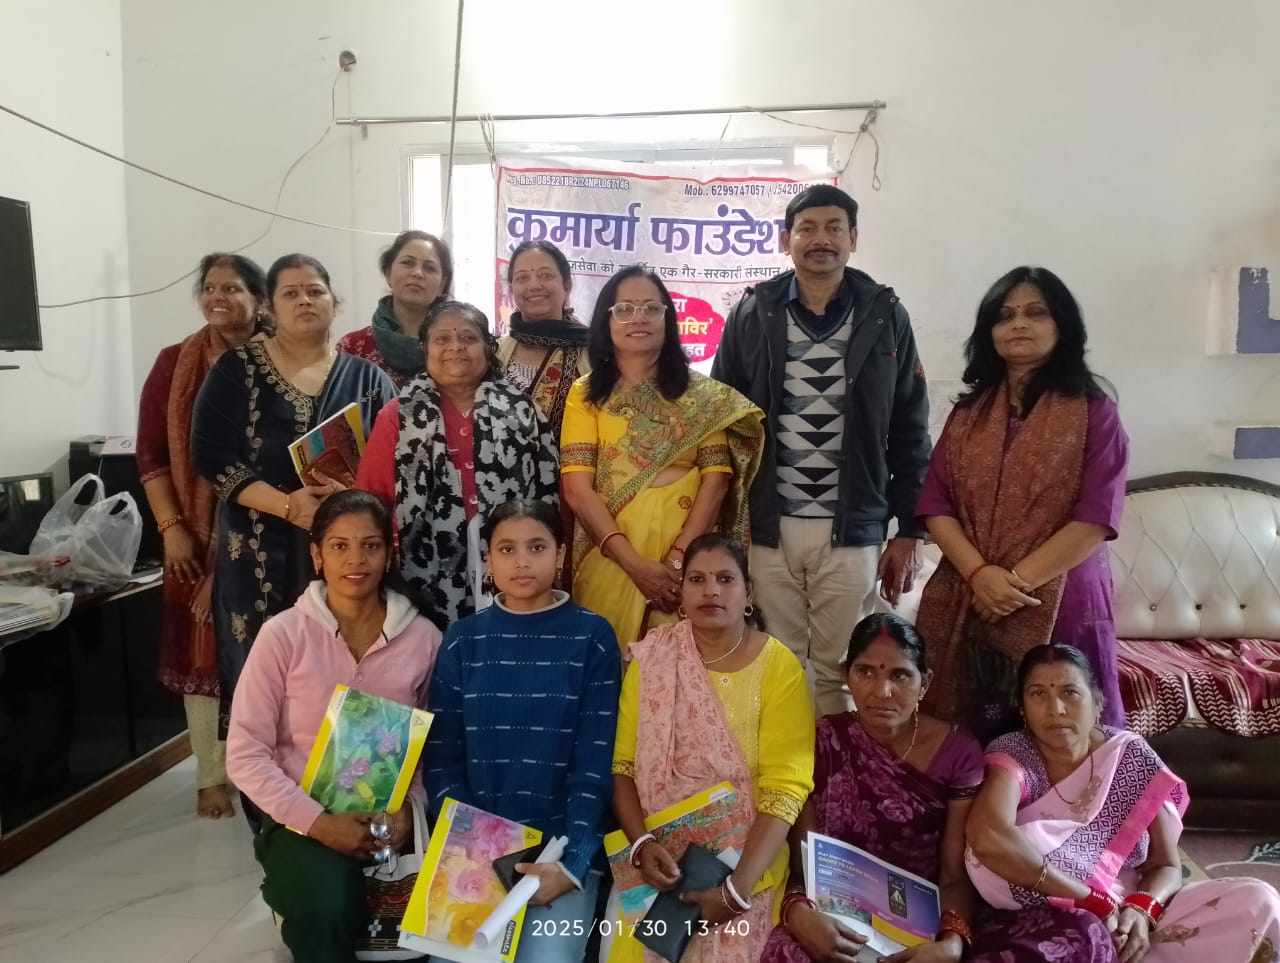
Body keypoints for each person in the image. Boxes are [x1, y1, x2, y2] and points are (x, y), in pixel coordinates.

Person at [711, 183, 931, 716]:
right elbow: (722, 421)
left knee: (843, 667)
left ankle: (834, 766)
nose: (821, 240)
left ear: (853, 238)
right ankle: (784, 767)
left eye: (834, 228)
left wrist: (910, 530)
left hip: (852, 525)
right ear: (785, 239)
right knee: (777, 660)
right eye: (807, 229)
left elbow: (910, 427)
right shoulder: (753, 312)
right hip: (769, 523)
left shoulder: (885, 315)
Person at [225, 490, 443, 963]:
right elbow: (244, 753)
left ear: (389, 554)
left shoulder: (424, 638)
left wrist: (410, 812)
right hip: (298, 817)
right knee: (329, 901)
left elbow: (432, 748)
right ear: (317, 555)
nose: (355, 560)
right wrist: (319, 824)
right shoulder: (283, 634)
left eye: (370, 545)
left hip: (389, 819)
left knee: (437, 920)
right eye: (339, 546)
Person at [914, 267, 1129, 739]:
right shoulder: (968, 414)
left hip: (1061, 595)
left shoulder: (1095, 412)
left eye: (1035, 312)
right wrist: (980, 576)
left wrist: (1012, 585)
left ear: (1062, 325)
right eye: (1005, 315)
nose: (1019, 324)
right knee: (969, 740)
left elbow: (1096, 518)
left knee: (1066, 736)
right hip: (970, 592)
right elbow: (935, 503)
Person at [192, 254, 395, 748]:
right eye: (291, 293)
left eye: (315, 291)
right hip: (256, 553)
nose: (305, 300)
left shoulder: (369, 380)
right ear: (268, 306)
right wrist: (289, 507)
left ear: (334, 302)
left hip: (345, 556)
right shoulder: (236, 372)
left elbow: (394, 461)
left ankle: (351, 783)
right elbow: (211, 455)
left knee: (347, 667)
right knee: (263, 678)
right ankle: (267, 791)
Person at [965, 644, 1280, 963]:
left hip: (1128, 906)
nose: (1055, 708)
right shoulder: (1014, 754)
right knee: (1026, 849)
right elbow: (988, 837)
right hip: (1057, 906)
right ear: (1022, 708)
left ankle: (1129, 944)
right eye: (1038, 694)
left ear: (1097, 703)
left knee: (1258, 900)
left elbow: (1166, 865)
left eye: (1070, 693)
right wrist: (1090, 899)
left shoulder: (1130, 756)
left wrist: (1142, 910)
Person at [423, 499, 620, 963]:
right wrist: (475, 850)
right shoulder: (463, 640)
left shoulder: (592, 638)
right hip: (473, 856)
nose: (522, 562)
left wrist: (571, 864)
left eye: (537, 547)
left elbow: (594, 764)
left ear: (561, 554)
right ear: (489, 561)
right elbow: (443, 761)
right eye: (506, 549)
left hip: (558, 855)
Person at [612, 534, 816, 962]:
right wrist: (642, 846)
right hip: (658, 858)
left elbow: (786, 789)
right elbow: (623, 766)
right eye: (696, 579)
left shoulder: (779, 667)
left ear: (749, 593)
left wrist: (736, 891)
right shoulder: (654, 659)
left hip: (748, 860)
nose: (711, 590)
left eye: (725, 579)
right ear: (682, 593)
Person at [761, 613, 983, 963]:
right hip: (829, 918)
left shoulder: (958, 753)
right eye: (865, 672)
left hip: (920, 928)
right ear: (844, 675)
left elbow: (955, 875)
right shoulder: (822, 740)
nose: (882, 691)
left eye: (900, 675)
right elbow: (804, 863)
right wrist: (798, 913)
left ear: (925, 682)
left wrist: (951, 944)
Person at [562, 266, 764, 650]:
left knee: (683, 670)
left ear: (667, 320)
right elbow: (577, 489)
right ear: (607, 321)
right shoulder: (585, 395)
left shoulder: (704, 397)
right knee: (609, 667)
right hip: (613, 557)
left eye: (650, 308)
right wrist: (635, 566)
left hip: (688, 561)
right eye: (624, 309)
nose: (638, 318)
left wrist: (677, 562)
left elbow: (717, 481)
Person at [137, 252, 268, 819]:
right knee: (203, 649)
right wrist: (172, 529)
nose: (219, 298)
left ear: (259, 299)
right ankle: (211, 773)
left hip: (265, 526)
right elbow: (151, 454)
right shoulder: (176, 364)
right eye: (210, 288)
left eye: (232, 288)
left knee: (269, 652)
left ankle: (263, 767)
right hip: (191, 530)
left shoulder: (278, 359)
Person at [355, 300, 559, 628]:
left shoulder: (524, 412)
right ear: (424, 349)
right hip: (423, 574)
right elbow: (371, 501)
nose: (455, 347)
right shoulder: (397, 416)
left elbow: (549, 496)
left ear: (488, 348)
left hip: (513, 567)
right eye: (442, 339)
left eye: (468, 338)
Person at [336, 230, 452, 388]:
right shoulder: (352, 347)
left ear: (442, 285)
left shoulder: (458, 349)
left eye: (429, 268)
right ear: (388, 273)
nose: (417, 273)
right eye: (407, 263)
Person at [497, 240, 590, 436]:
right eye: (522, 278)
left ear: (566, 286)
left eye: (546, 275)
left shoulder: (594, 353)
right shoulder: (494, 352)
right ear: (512, 289)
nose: (534, 285)